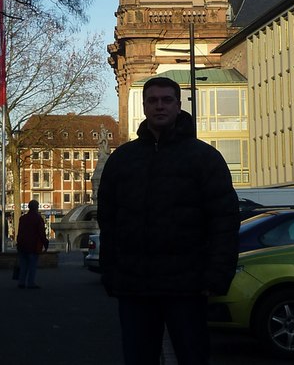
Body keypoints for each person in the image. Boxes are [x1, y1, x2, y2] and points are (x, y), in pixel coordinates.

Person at [97, 77, 240, 365]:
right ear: (144, 106)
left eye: (166, 100)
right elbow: (108, 221)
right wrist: (110, 271)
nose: (159, 106)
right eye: (153, 100)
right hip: (135, 285)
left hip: (187, 285)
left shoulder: (204, 157)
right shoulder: (123, 159)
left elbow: (224, 220)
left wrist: (217, 275)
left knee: (192, 357)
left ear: (178, 105)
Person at [16, 200, 49, 289]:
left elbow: (20, 232)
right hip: (33, 245)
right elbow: (41, 233)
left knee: (23, 265)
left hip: (22, 245)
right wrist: (45, 243)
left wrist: (18, 243)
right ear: (36, 208)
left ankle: (21, 282)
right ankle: (31, 283)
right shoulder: (38, 219)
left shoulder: (23, 218)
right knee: (32, 265)